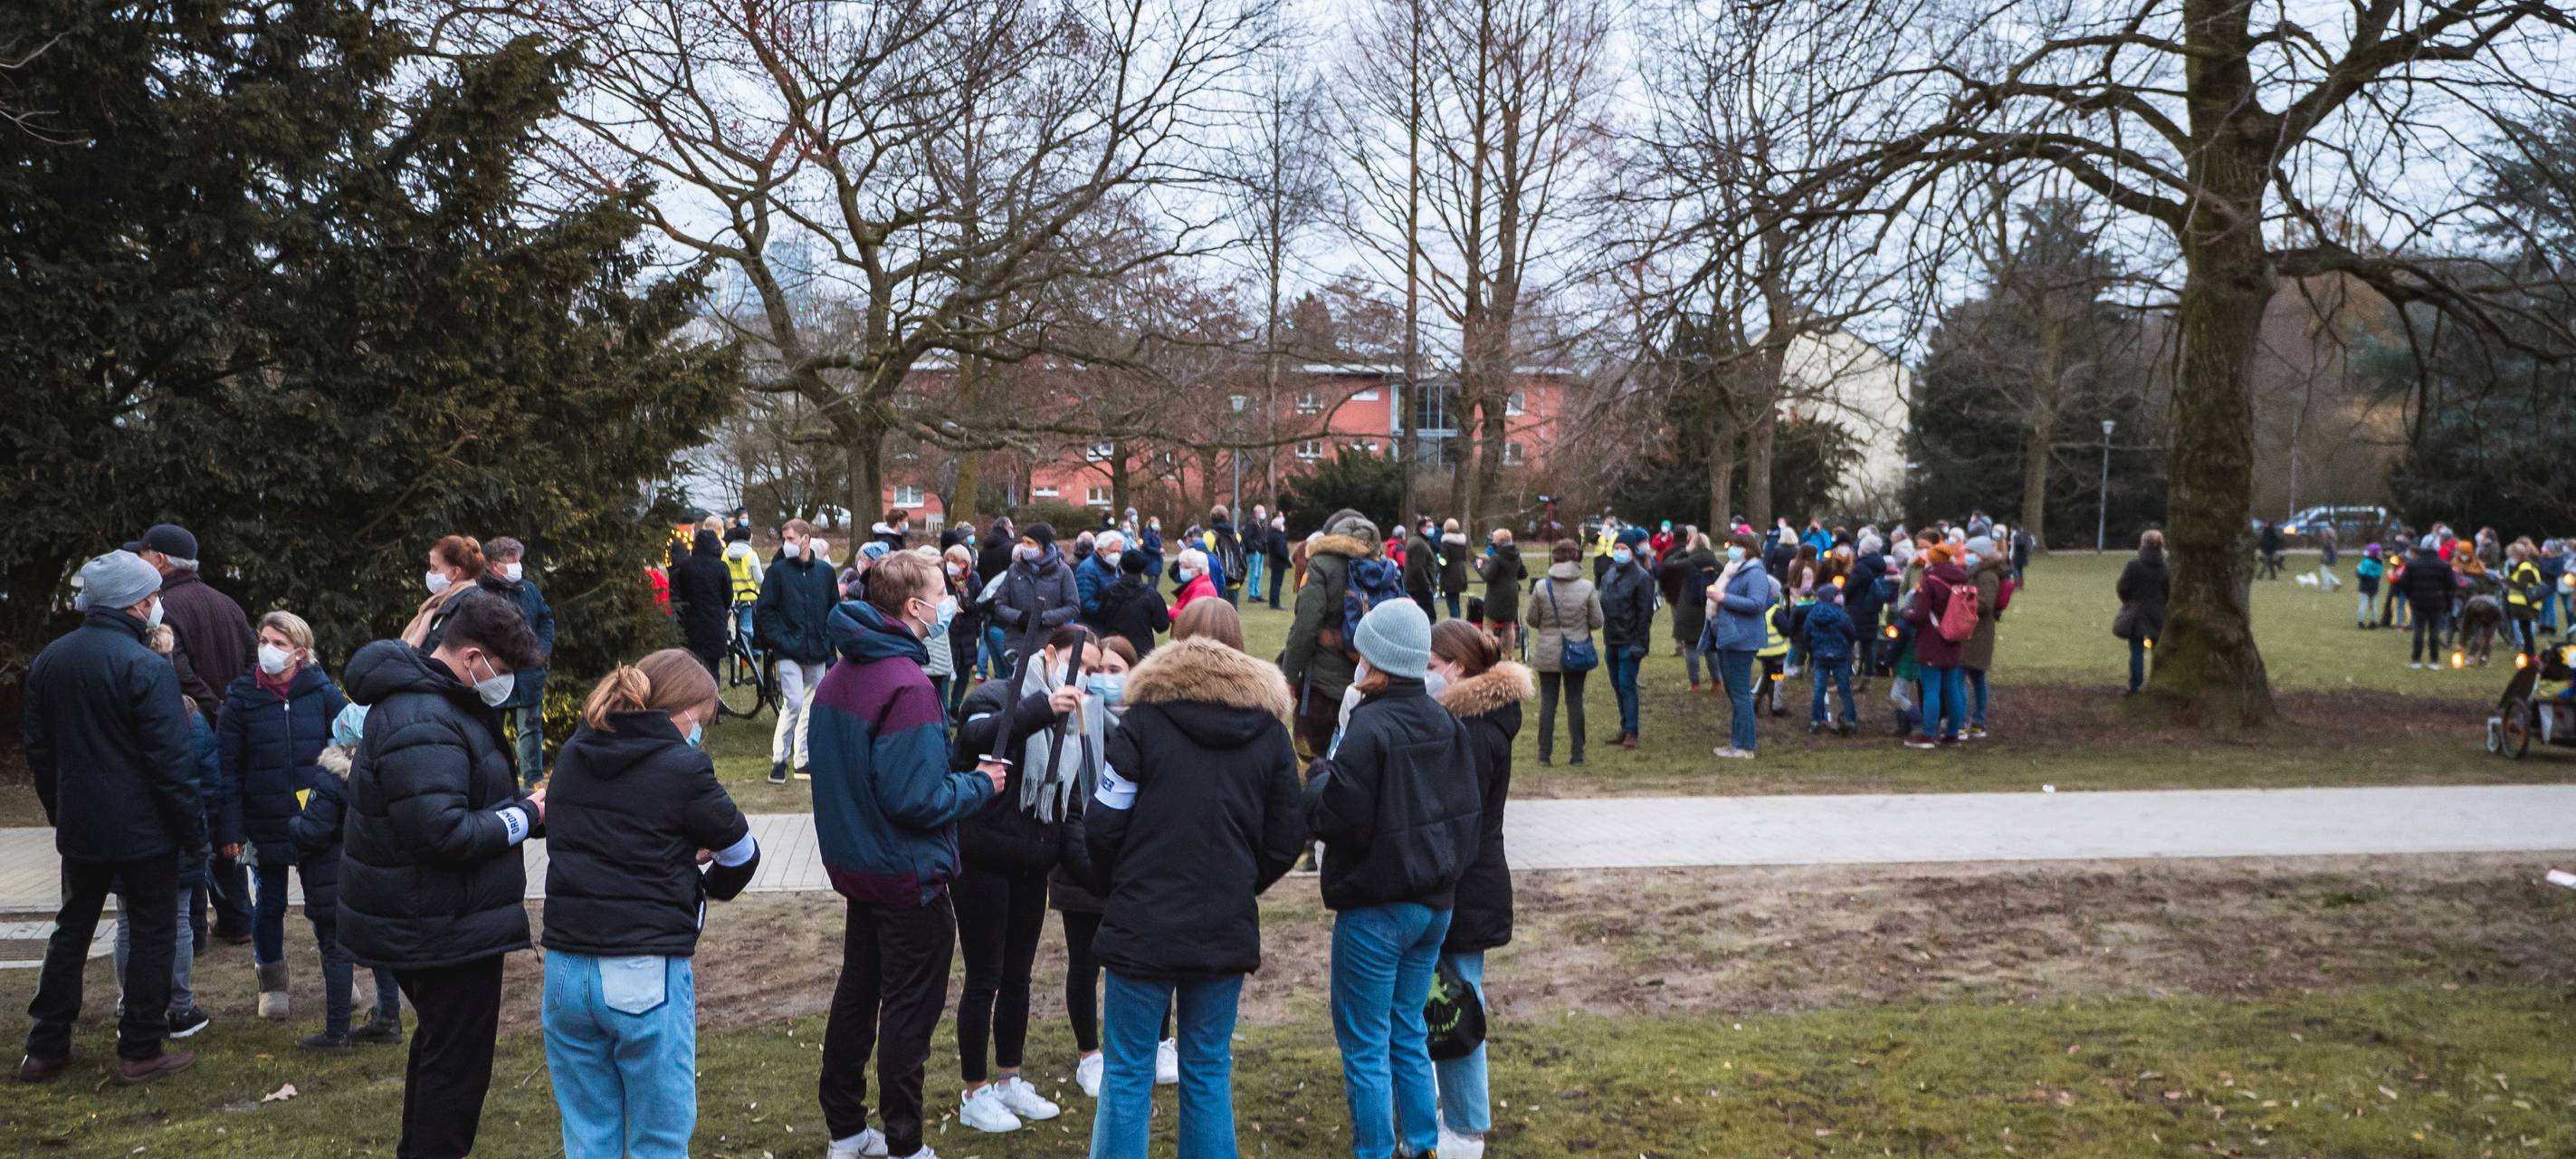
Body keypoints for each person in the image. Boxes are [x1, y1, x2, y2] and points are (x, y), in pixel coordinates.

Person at [807, 551, 1007, 1159]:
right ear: (915, 607)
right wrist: (982, 784)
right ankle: (903, 1142)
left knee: (858, 996)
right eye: (941, 589)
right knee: (907, 1014)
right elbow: (916, 799)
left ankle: (846, 1129)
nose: (951, 598)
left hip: (861, 870)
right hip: (906, 878)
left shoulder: (843, 674)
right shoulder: (907, 686)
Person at [1080, 627, 1306, 1159]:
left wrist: (1123, 881)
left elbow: (1103, 824)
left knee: (1129, 1069)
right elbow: (1287, 837)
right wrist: (1240, 882)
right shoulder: (1269, 735)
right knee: (1206, 1067)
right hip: (1216, 920)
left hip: (1145, 920)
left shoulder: (1140, 726)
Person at [338, 592, 548, 1157]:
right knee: (456, 1071)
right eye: (501, 671)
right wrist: (526, 815)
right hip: (438, 924)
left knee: (440, 1050)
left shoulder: (436, 704)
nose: (503, 685)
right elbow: (442, 833)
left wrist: (523, 809)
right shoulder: (423, 715)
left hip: (436, 916)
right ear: (473, 656)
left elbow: (456, 800)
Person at [542, 650, 761, 1158]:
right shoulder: (682, 766)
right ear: (681, 711)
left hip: (565, 966)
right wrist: (705, 882)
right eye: (702, 719)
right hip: (641, 965)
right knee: (659, 1136)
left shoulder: (575, 752)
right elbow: (742, 852)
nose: (701, 730)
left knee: (588, 1130)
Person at [1302, 599, 1483, 1159]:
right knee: (1406, 1032)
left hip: (1378, 909)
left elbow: (1339, 817)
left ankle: (1377, 1149)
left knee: (1365, 1044)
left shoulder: (1370, 726)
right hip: (1434, 905)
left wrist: (1318, 778)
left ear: (1375, 659)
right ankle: (1422, 1145)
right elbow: (1467, 815)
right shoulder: (1446, 719)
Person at [20, 552, 205, 1085]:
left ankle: (46, 1045)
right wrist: (192, 831)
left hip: (82, 826)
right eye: (154, 597)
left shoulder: (51, 659)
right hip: (145, 831)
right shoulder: (145, 666)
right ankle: (141, 1048)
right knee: (152, 932)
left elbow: (41, 751)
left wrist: (63, 812)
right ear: (140, 602)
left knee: (71, 929)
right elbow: (172, 762)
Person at [947, 627, 1106, 1134]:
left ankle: (1009, 1079)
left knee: (1019, 977)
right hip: (983, 863)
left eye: (1098, 671)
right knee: (984, 977)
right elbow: (973, 737)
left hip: (1030, 867)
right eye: (1085, 667)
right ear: (1052, 655)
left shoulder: (1078, 725)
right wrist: (1042, 706)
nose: (1089, 680)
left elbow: (1070, 807)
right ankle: (974, 1091)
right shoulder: (996, 692)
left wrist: (1104, 880)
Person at [1424, 620, 1530, 1159]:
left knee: (1455, 1006)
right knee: (1449, 998)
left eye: (1429, 666)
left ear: (1456, 669)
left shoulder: (1468, 728)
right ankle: (1452, 1113)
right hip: (1473, 879)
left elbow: (1452, 816)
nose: (1422, 676)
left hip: (1463, 884)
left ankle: (1465, 1128)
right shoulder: (1481, 719)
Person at [215, 609, 351, 1021]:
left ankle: (341, 976)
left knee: (324, 902)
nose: (268, 651)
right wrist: (231, 828)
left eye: (279, 644)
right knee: (269, 903)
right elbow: (229, 768)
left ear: (300, 652)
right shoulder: (240, 697)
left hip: (317, 820)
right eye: (264, 641)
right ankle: (272, 982)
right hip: (263, 817)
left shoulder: (323, 692)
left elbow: (349, 743)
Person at [128, 523, 257, 944]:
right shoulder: (227, 604)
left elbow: (176, 671)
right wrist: (234, 713)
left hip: (191, 727)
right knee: (226, 824)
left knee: (191, 824)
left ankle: (195, 928)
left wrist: (214, 711)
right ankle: (239, 920)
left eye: (143, 555)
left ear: (159, 560)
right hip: (231, 732)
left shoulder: (163, 607)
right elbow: (253, 664)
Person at [110, 625, 215, 1042]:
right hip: (172, 829)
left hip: (127, 830)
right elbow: (204, 780)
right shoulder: (186, 716)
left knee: (128, 921)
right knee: (177, 920)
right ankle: (178, 1005)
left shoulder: (114, 711)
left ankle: (130, 1003)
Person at [292, 704, 405, 1052]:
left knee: (336, 952)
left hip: (335, 878)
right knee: (380, 950)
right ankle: (389, 1016)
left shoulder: (330, 780)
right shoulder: (389, 775)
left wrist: (291, 823)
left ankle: (337, 1031)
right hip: (378, 876)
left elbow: (314, 831)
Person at [1282, 512, 1381, 757]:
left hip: (1324, 684)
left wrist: (1290, 676)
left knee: (1313, 755)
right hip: (1370, 679)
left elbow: (1305, 627)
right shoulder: (1382, 568)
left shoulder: (1321, 564)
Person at [756, 518, 841, 784]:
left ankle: (802, 759)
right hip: (788, 649)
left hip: (816, 648)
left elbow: (832, 609)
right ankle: (779, 759)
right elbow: (766, 609)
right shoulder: (778, 572)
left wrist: (828, 641)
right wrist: (780, 640)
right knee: (792, 702)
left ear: (805, 538)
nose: (787, 544)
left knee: (811, 705)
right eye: (784, 539)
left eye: (791, 538)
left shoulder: (825, 573)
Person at [473, 537, 558, 787]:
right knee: (491, 734)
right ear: (493, 565)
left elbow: (546, 620)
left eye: (518, 560)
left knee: (531, 731)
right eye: (511, 561)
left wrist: (541, 651)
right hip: (494, 677)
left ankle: (533, 781)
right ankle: (496, 781)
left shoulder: (528, 590)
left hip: (528, 675)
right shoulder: (479, 594)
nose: (517, 566)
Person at [1526, 540, 1603, 767]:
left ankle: (1543, 755)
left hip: (1547, 650)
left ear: (1555, 558)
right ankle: (1577, 754)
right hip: (1577, 649)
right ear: (1576, 558)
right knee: (1575, 701)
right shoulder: (1587, 587)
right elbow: (1597, 621)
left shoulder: (1541, 586)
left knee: (1548, 702)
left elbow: (1532, 619)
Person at [1703, 532, 1771, 759]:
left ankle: (1745, 745)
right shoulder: (1733, 570)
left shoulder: (1755, 573)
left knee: (1740, 693)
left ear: (1748, 548)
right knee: (1734, 692)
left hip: (1741, 639)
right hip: (1728, 635)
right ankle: (1737, 742)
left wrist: (1722, 598)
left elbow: (1756, 604)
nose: (1731, 549)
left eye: (1735, 545)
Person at [1903, 543, 1972, 748]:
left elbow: (1921, 614)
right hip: (1953, 637)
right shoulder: (1961, 577)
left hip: (1932, 639)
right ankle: (1953, 732)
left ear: (1933, 559)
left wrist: (1906, 614)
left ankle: (1928, 733)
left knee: (1931, 689)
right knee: (1952, 688)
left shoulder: (1930, 580)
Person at [991, 522, 1081, 679]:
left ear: (1042, 546)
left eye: (1029, 543)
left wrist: (1042, 618)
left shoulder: (1062, 572)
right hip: (1017, 641)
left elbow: (1073, 607)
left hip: (1047, 641)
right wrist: (1019, 616)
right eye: (1023, 541)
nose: (1023, 546)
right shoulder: (1014, 570)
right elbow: (999, 603)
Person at [1598, 537, 1655, 750]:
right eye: (1617, 548)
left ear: (1632, 552)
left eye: (1624, 548)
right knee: (1617, 686)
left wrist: (1639, 644)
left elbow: (1644, 614)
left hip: (1630, 641)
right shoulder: (1610, 574)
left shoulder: (1642, 578)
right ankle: (1624, 726)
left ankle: (1632, 730)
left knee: (1626, 684)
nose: (1619, 551)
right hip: (1611, 638)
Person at [1959, 535, 2008, 739]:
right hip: (1977, 631)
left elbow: (1985, 603)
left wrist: (1961, 604)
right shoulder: (1981, 572)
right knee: (1976, 677)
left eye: (1970, 553)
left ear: (1979, 554)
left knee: (1960, 677)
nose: (1967, 556)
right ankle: (1977, 721)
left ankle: (1961, 722)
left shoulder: (1986, 575)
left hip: (1976, 632)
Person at [1658, 532, 1720, 689]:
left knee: (1691, 647)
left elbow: (1667, 563)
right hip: (1709, 607)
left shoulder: (1687, 562)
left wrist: (1684, 551)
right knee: (1710, 648)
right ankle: (1716, 681)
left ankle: (1695, 683)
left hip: (1688, 608)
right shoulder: (1715, 561)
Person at [403, 534, 487, 649]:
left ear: (455, 572)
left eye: (434, 568)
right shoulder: (443, 602)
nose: (430, 573)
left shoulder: (469, 607)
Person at [673, 528, 734, 675]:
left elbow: (677, 595)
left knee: (692, 667)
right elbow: (728, 597)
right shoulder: (721, 567)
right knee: (713, 669)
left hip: (691, 623)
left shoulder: (686, 567)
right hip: (716, 623)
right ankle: (713, 695)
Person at [2115, 530, 2171, 694]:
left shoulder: (2134, 567)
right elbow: (2170, 592)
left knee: (2137, 650)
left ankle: (2135, 684)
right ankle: (2160, 680)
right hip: (2158, 616)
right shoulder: (2166, 569)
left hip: (2138, 616)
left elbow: (2123, 588)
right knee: (2155, 648)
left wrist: (2129, 601)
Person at [1092, 549, 1172, 660]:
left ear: (1121, 566)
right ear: (1143, 569)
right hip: (1142, 652)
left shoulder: (1108, 591)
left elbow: (1100, 618)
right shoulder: (1151, 594)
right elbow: (1162, 625)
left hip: (1113, 649)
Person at [1803, 584, 1861, 734]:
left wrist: (1813, 649)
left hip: (1820, 656)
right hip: (1840, 656)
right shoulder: (1841, 616)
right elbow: (1852, 634)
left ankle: (1816, 720)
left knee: (1819, 689)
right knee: (1844, 689)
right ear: (1832, 598)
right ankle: (1850, 720)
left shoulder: (1812, 614)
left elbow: (1806, 635)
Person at [2399, 535, 2458, 670]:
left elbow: (2404, 583)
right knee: (2434, 630)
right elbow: (2452, 585)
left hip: (2418, 600)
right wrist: (2444, 596)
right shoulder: (2444, 565)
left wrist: (2411, 595)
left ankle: (2416, 660)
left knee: (2419, 630)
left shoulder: (2412, 564)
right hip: (2437, 601)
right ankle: (2434, 661)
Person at [941, 545, 985, 718]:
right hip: (949, 631)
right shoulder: (943, 578)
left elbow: (980, 603)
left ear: (965, 564)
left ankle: (955, 707)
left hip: (967, 632)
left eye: (955, 561)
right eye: (948, 560)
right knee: (945, 673)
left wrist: (967, 602)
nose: (950, 564)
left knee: (964, 674)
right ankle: (943, 711)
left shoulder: (973, 579)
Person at [1474, 530, 1525, 657]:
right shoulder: (1516, 555)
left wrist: (1479, 568)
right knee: (1509, 626)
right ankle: (1508, 655)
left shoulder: (1497, 558)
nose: (1492, 541)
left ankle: (1490, 653)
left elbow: (1488, 577)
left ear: (1499, 541)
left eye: (1494, 539)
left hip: (1496, 595)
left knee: (1488, 626)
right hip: (1512, 593)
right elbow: (1523, 574)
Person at [2504, 539, 2545, 656]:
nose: (2510, 558)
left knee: (2526, 630)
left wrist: (2506, 581)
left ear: (2518, 555)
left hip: (2526, 603)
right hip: (2522, 604)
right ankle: (2528, 652)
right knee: (2524, 628)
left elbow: (2522, 585)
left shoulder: (2525, 567)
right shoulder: (2521, 566)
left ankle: (2530, 653)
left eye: (2511, 555)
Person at [1078, 529, 1128, 621]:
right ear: (1100, 550)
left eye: (1119, 552)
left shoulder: (1115, 566)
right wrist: (1113, 610)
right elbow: (1085, 603)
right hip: (1094, 626)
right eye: (1113, 551)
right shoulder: (1087, 568)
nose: (1117, 555)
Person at [1207, 505, 1246, 606]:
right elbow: (1243, 560)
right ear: (1227, 518)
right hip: (1234, 582)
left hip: (1215, 584)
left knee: (1215, 616)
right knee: (1232, 616)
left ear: (1211, 518)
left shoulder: (1208, 536)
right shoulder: (1236, 535)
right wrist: (1240, 579)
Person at [1403, 520, 1440, 621]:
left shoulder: (1421, 542)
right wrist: (1427, 586)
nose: (1431, 529)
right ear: (1421, 528)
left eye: (1432, 526)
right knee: (1428, 618)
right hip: (1419, 589)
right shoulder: (1418, 544)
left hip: (1418, 588)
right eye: (1428, 527)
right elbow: (1418, 568)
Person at [1170, 548, 1220, 616]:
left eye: (1186, 568)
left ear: (1199, 570)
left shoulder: (1203, 589)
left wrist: (1169, 611)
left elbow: (1192, 618)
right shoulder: (1195, 585)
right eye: (1181, 567)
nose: (1182, 570)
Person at [1243, 504, 1271, 602]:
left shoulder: (1260, 524)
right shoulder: (1251, 523)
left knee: (1259, 573)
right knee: (1253, 573)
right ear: (1256, 513)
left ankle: (1257, 593)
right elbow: (1246, 537)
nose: (1264, 514)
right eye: (1262, 511)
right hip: (1254, 552)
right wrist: (1254, 548)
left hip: (1260, 552)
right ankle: (1252, 594)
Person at [2355, 543, 2386, 629]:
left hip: (2365, 584)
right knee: (2373, 604)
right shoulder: (2380, 562)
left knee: (2363, 603)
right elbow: (2379, 574)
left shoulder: (2366, 562)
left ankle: (2361, 622)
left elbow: (2362, 573)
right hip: (2374, 584)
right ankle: (2374, 621)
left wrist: (2358, 570)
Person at [1266, 512, 1293, 610]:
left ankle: (1273, 602)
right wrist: (1286, 557)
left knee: (1275, 583)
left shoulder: (1272, 534)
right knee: (1276, 584)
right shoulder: (1277, 536)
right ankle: (1275, 603)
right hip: (1279, 563)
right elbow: (1280, 551)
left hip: (1275, 562)